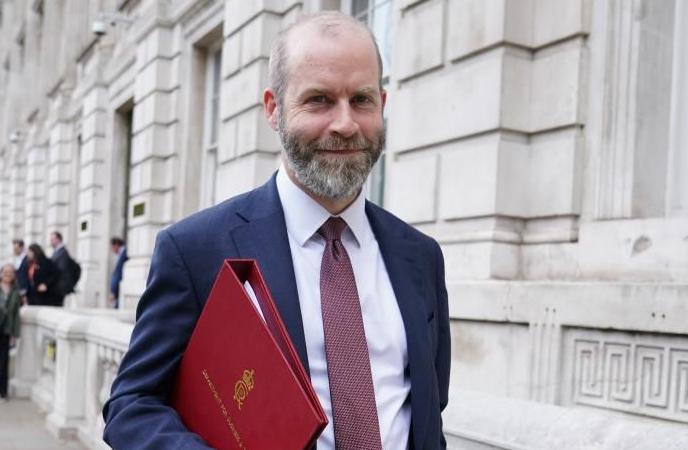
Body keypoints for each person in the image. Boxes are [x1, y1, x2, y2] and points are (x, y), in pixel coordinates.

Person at [103, 12, 450, 450]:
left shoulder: (420, 257)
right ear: (273, 108)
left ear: (382, 103)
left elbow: (428, 406)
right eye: (320, 100)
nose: (344, 124)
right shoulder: (195, 250)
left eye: (361, 100)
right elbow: (132, 405)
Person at [0, 264, 21, 402]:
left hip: (6, 330)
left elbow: (16, 314)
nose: (8, 274)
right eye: (5, 272)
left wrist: (15, 333)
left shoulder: (15, 290)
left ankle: (3, 392)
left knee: (3, 362)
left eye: (10, 272)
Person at [49, 231, 79, 305]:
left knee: (57, 305)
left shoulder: (62, 253)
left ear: (58, 239)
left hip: (59, 286)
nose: (51, 242)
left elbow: (60, 270)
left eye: (52, 239)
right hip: (58, 286)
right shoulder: (57, 252)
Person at [109, 237, 128, 308]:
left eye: (112, 247)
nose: (112, 250)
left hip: (120, 287)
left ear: (116, 245)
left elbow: (117, 273)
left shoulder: (125, 253)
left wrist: (113, 290)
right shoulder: (121, 254)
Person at [11, 239, 28, 304]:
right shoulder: (17, 259)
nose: (14, 250)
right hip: (18, 290)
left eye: (16, 248)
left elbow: (26, 276)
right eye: (14, 248)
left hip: (24, 291)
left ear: (21, 247)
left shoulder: (26, 259)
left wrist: (24, 291)